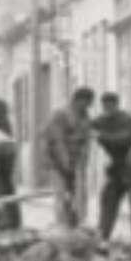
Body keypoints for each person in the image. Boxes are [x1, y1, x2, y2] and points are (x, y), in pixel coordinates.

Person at [93, 91, 131, 239]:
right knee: (108, 199)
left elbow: (125, 139)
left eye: (110, 106)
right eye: (105, 106)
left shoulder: (128, 120)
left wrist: (101, 136)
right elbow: (85, 126)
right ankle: (103, 235)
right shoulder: (101, 121)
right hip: (116, 167)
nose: (107, 109)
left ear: (116, 105)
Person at [42, 87, 95, 229]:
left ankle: (80, 222)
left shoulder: (85, 116)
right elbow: (57, 140)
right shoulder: (61, 114)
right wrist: (65, 163)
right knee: (61, 193)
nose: (89, 106)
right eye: (87, 102)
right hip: (58, 161)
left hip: (76, 161)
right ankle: (62, 225)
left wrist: (83, 161)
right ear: (77, 100)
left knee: (79, 193)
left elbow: (86, 140)